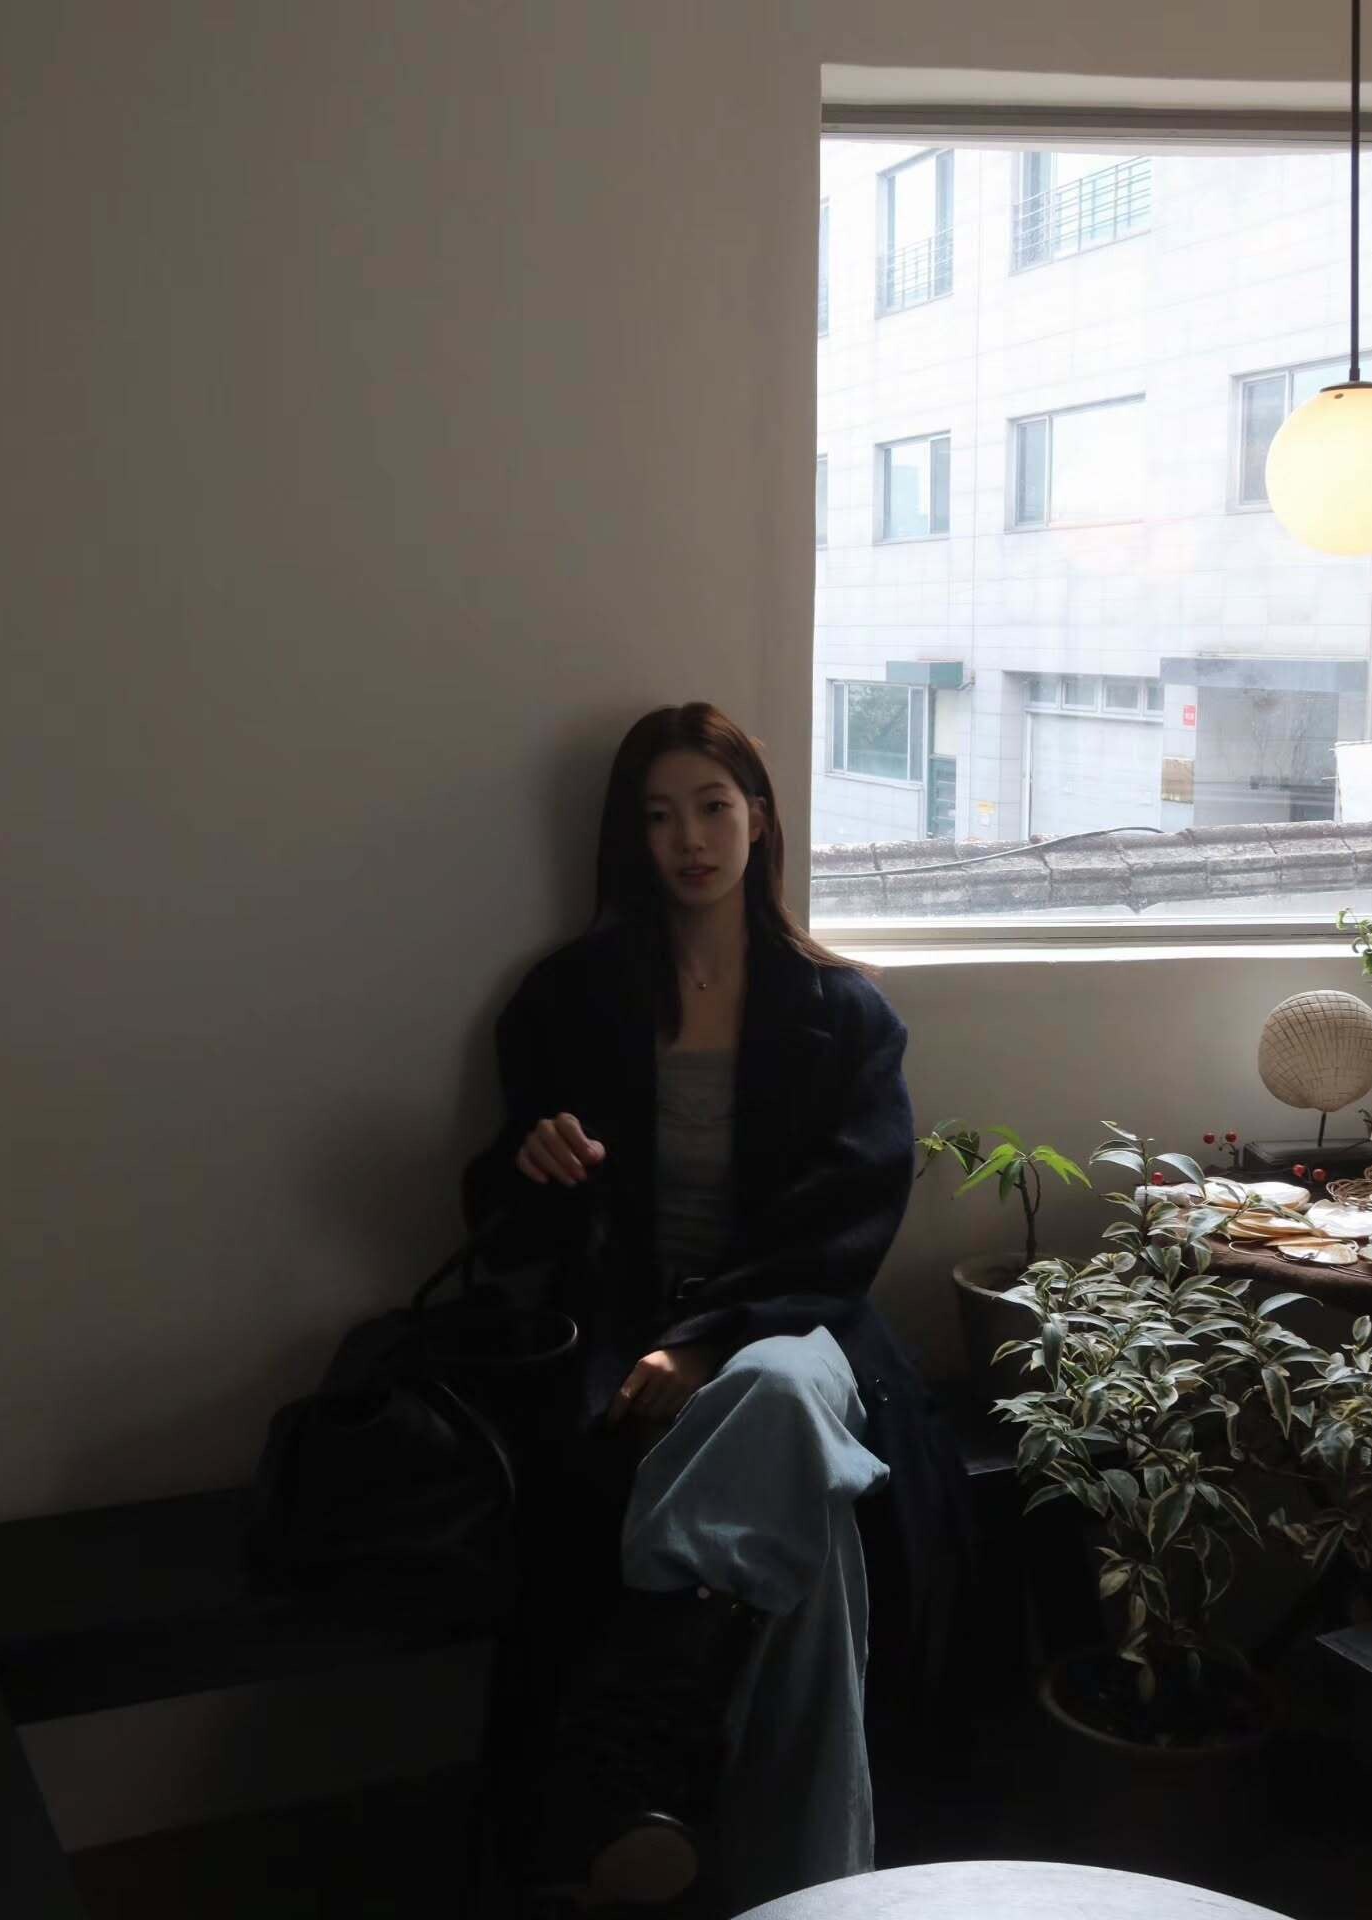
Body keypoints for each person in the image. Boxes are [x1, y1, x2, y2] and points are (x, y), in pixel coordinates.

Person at [462, 703, 970, 1919]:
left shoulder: (844, 1011)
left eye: (711, 807)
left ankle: (641, 1731)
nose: (688, 839)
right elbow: (508, 1229)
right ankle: (810, 1879)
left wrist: (704, 1344)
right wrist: (532, 1160)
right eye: (657, 816)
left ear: (760, 820)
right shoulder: (569, 999)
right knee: (810, 1531)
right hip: (616, 1335)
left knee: (776, 1388)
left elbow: (847, 1231)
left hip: (797, 1325)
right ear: (627, 839)